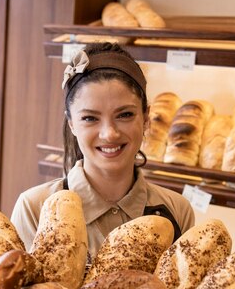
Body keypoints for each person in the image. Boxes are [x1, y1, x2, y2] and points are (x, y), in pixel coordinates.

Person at [11, 42, 194, 264]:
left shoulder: (177, 211)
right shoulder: (35, 207)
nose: (109, 134)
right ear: (71, 124)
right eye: (90, 118)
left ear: (146, 118)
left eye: (125, 115)